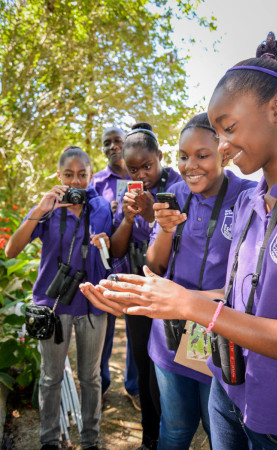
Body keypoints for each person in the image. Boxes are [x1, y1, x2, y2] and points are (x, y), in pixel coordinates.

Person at [80, 32, 277, 450]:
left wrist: (190, 305)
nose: (223, 146)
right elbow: (236, 297)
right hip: (228, 388)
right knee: (173, 431)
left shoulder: (242, 195)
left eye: (228, 130)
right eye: (217, 134)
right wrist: (146, 297)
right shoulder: (254, 200)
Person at [145, 113, 255, 449]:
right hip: (170, 337)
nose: (190, 165)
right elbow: (153, 265)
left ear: (224, 153)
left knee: (219, 432)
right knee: (175, 430)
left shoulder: (248, 198)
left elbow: (251, 282)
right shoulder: (173, 194)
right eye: (182, 155)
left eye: (202, 155)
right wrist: (165, 229)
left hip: (221, 341)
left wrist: (200, 298)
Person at [6, 146, 112, 450]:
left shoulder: (102, 208)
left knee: (91, 378)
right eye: (69, 175)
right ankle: (49, 440)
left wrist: (104, 243)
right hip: (52, 306)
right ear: (58, 175)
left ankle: (90, 440)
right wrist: (39, 209)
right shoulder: (49, 209)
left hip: (92, 303)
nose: (76, 181)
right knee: (51, 377)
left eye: (82, 175)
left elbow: (111, 256)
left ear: (91, 175)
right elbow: (11, 251)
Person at [110, 122, 182, 450]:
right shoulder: (128, 194)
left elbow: (179, 249)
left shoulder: (181, 187)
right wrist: (127, 217)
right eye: (133, 168)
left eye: (147, 165)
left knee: (167, 374)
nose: (142, 173)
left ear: (161, 157)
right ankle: (149, 438)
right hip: (138, 293)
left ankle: (173, 434)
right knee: (143, 364)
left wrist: (154, 215)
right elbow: (117, 250)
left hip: (173, 295)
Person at [89, 126, 139, 409]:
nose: (112, 146)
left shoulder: (137, 175)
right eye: (106, 143)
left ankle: (134, 387)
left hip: (135, 262)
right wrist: (103, 212)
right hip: (105, 264)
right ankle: (101, 384)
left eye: (117, 141)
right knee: (104, 329)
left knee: (136, 327)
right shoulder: (95, 181)